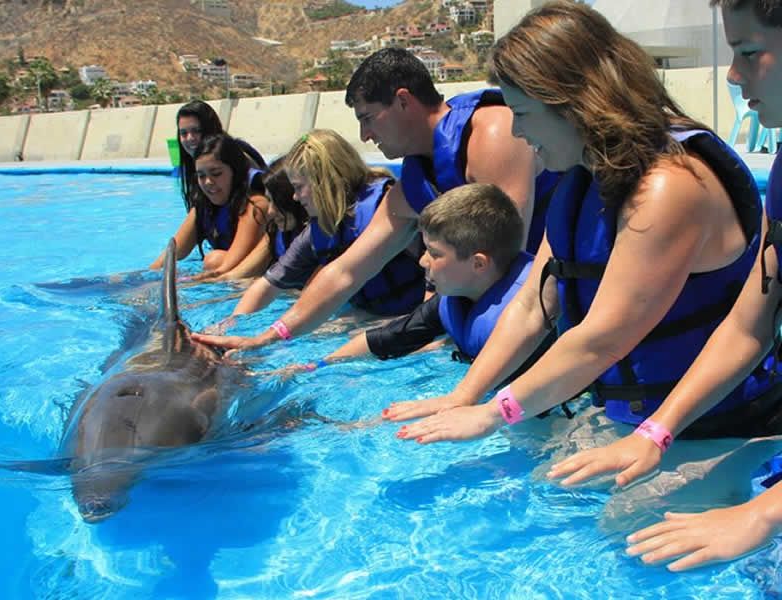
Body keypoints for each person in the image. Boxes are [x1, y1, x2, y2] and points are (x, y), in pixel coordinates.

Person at [393, 1, 781, 457]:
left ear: (573, 104)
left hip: (723, 428)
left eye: (524, 113)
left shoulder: (667, 186)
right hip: (638, 422)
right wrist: (463, 397)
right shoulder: (580, 182)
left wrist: (493, 413)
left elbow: (602, 339)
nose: (517, 132)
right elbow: (533, 308)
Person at [547, 0, 782, 572]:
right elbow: (748, 325)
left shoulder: (672, 184)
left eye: (749, 52)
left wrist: (761, 515)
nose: (732, 74)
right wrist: (657, 431)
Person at [191, 47, 550, 351]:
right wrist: (268, 337)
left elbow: (507, 255)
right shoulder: (415, 183)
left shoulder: (493, 134)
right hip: (484, 308)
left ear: (403, 101)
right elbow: (348, 270)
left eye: (367, 118)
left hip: (542, 301)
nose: (364, 136)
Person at [302, 183, 553, 384]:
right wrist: (318, 366)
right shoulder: (454, 299)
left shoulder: (528, 319)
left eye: (434, 253)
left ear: (478, 264)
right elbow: (391, 338)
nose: (422, 261)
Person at [193, 129, 426, 339]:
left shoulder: (388, 208)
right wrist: (228, 325)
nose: (294, 197)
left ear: (324, 182)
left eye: (298, 187)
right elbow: (268, 285)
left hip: (416, 316)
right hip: (368, 314)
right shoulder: (320, 229)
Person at [149, 101, 266, 272]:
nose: (189, 138)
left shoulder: (254, 201)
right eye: (201, 176)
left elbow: (225, 268)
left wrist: (189, 283)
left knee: (214, 260)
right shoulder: (204, 203)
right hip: (229, 252)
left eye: (216, 173)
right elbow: (172, 254)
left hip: (253, 259)